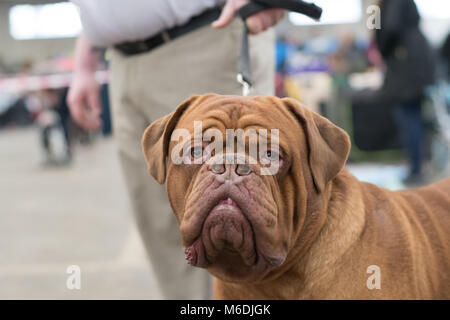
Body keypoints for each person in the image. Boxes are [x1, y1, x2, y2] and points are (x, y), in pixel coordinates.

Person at [68, 0, 284, 299]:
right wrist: (85, 60)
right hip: (121, 61)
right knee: (158, 222)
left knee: (239, 217)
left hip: (205, 41)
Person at [375, 0, 435, 185]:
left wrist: (382, 50)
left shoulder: (382, 5)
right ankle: (417, 166)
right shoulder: (379, 6)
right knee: (412, 117)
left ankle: (416, 169)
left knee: (408, 118)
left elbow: (387, 28)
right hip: (415, 61)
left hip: (405, 64)